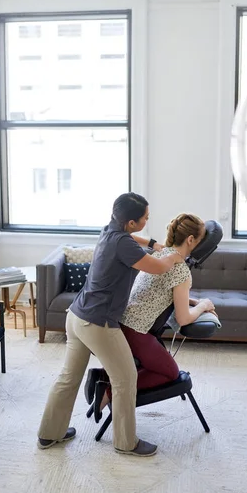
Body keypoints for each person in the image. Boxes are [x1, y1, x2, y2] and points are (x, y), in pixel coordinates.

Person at [37, 192, 183, 457]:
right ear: (130, 222)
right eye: (145, 218)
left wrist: (153, 243)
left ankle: (50, 433)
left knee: (68, 378)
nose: (147, 220)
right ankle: (126, 443)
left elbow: (134, 241)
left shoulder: (109, 231)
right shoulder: (124, 245)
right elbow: (158, 268)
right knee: (126, 378)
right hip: (99, 323)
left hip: (77, 316)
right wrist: (174, 255)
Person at [89, 213, 216, 417]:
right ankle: (109, 390)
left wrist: (193, 301)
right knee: (170, 372)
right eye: (200, 240)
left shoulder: (158, 255)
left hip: (120, 323)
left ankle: (103, 377)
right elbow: (184, 319)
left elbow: (161, 291)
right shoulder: (181, 271)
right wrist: (204, 305)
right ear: (191, 240)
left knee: (159, 366)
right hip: (135, 331)